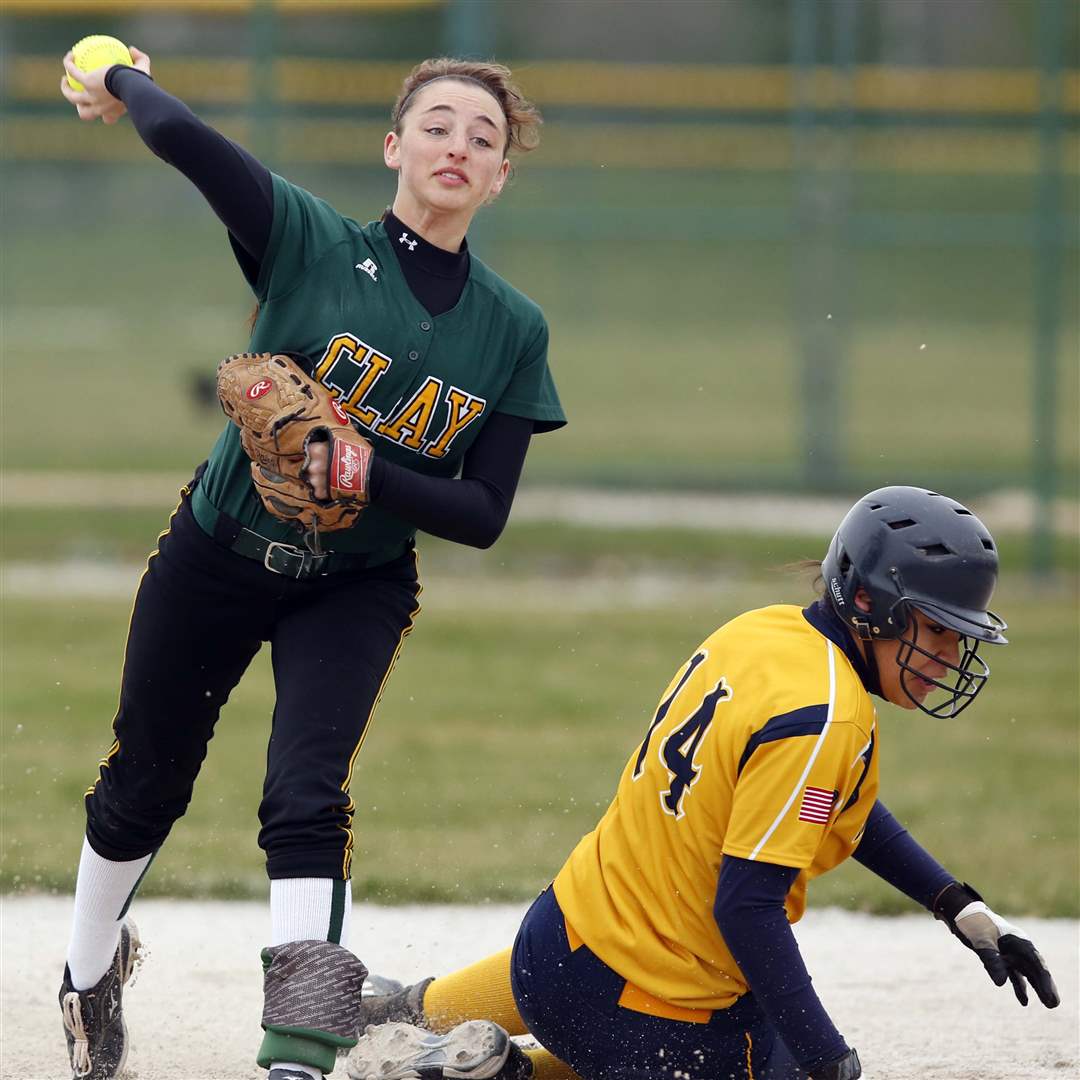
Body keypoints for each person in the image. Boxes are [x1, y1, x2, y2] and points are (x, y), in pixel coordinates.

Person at [58, 47, 564, 1080]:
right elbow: (193, 148)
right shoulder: (313, 243)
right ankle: (85, 971)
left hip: (358, 582)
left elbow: (483, 515)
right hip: (218, 551)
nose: (459, 146)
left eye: (484, 137)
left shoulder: (513, 329)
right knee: (142, 788)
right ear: (393, 147)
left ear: (503, 174)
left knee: (307, 796)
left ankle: (298, 1053)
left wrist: (371, 475)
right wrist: (124, 81)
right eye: (437, 126)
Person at [343, 486, 1060, 1080]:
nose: (950, 654)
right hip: (633, 1012)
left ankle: (411, 1011)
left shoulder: (763, 633)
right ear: (872, 606)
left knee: (656, 960)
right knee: (772, 1063)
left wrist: (957, 905)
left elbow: (835, 801)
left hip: (550, 946)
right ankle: (511, 1076)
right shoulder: (827, 717)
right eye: (937, 630)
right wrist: (828, 1061)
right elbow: (749, 908)